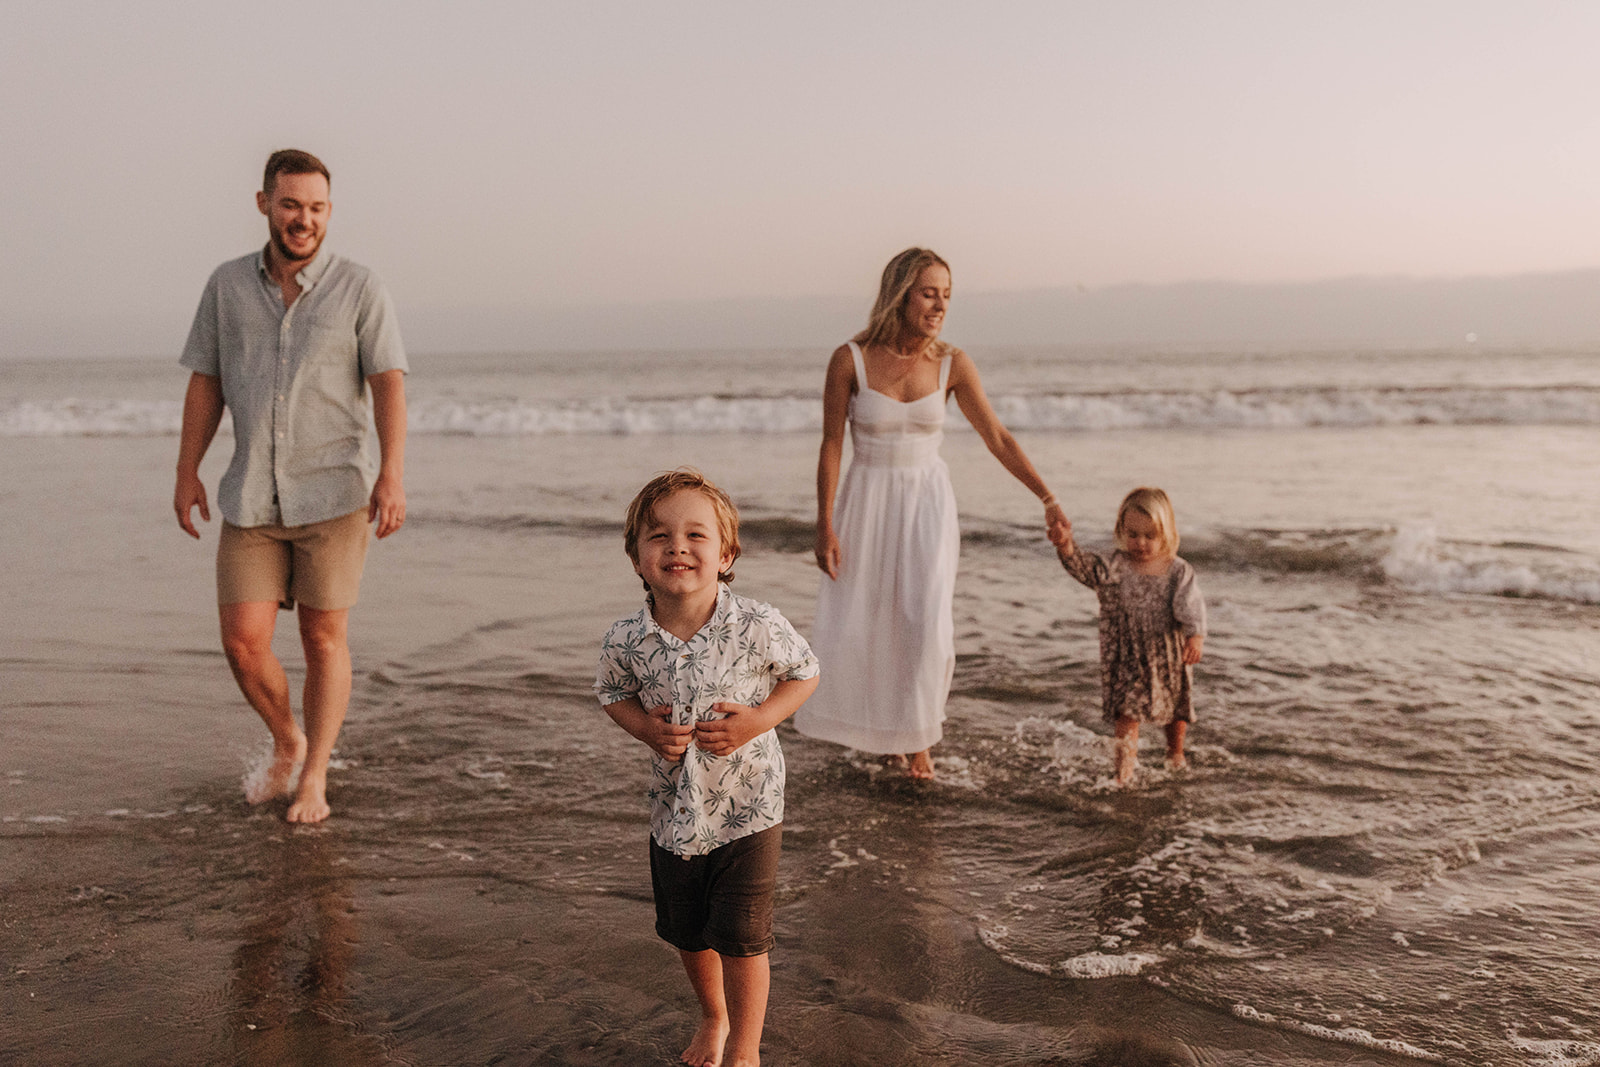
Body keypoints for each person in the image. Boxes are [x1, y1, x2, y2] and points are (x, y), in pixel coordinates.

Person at [173, 148, 408, 824]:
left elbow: (388, 380)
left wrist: (391, 472)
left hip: (335, 493)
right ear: (264, 204)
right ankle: (287, 738)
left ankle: (314, 775)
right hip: (250, 492)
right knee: (243, 642)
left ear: (328, 212)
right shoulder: (226, 286)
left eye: (316, 207)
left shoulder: (360, 288)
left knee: (322, 638)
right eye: (290, 204)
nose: (303, 219)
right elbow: (206, 381)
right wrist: (187, 467)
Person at [795, 248, 1068, 779]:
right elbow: (832, 444)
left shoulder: (952, 363)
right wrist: (823, 522)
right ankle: (888, 738)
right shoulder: (848, 358)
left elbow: (997, 437)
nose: (940, 304)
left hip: (926, 504)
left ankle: (919, 740)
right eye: (929, 292)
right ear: (900, 293)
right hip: (867, 500)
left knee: (925, 624)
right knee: (869, 620)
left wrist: (1047, 497)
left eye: (947, 293)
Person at [595, 469, 820, 1067]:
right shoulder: (626, 639)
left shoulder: (757, 624)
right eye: (659, 536)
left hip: (750, 807)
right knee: (688, 933)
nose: (677, 547)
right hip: (674, 811)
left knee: (744, 939)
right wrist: (645, 728)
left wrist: (757, 721)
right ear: (637, 559)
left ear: (725, 555)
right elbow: (612, 692)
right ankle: (713, 1019)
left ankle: (745, 1049)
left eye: (697, 535)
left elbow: (805, 674)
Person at [1050, 487, 1206, 786]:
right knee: (1127, 711)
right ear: (1121, 529)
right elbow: (1083, 568)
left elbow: (1191, 606)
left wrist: (1195, 636)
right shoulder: (1115, 566)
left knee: (1175, 709)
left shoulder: (1177, 570)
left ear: (1166, 531)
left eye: (1150, 535)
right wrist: (1065, 545)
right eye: (1133, 534)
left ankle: (1175, 752)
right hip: (1127, 656)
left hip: (1167, 654)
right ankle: (1123, 774)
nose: (1141, 543)